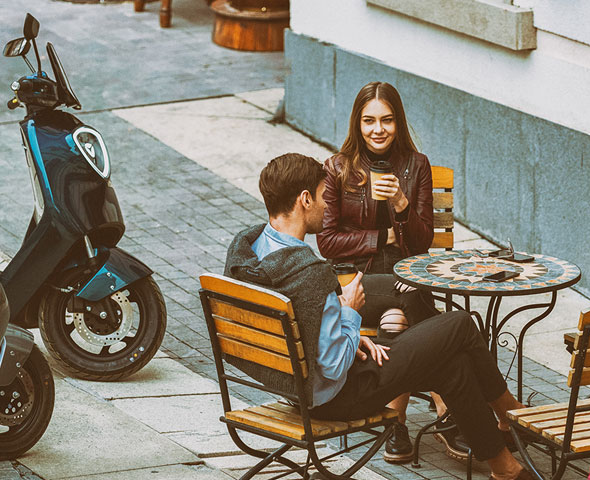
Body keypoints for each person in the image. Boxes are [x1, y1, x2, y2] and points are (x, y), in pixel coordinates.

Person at [224, 153, 530, 480]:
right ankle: (511, 415)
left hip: (297, 389)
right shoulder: (309, 274)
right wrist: (350, 315)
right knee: (460, 325)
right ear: (305, 199)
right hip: (340, 396)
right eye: (324, 196)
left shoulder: (250, 252)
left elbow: (308, 334)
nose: (328, 205)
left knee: (453, 365)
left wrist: (350, 335)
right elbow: (332, 365)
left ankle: (505, 467)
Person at [316, 80, 462, 462]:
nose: (377, 129)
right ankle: (449, 407)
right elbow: (327, 242)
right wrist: (382, 238)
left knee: (397, 317)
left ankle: (394, 425)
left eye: (387, 120)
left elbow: (422, 243)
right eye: (368, 121)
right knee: (417, 303)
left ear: (398, 123)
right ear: (357, 123)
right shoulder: (337, 169)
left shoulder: (417, 166)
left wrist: (400, 202)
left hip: (407, 279)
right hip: (357, 284)